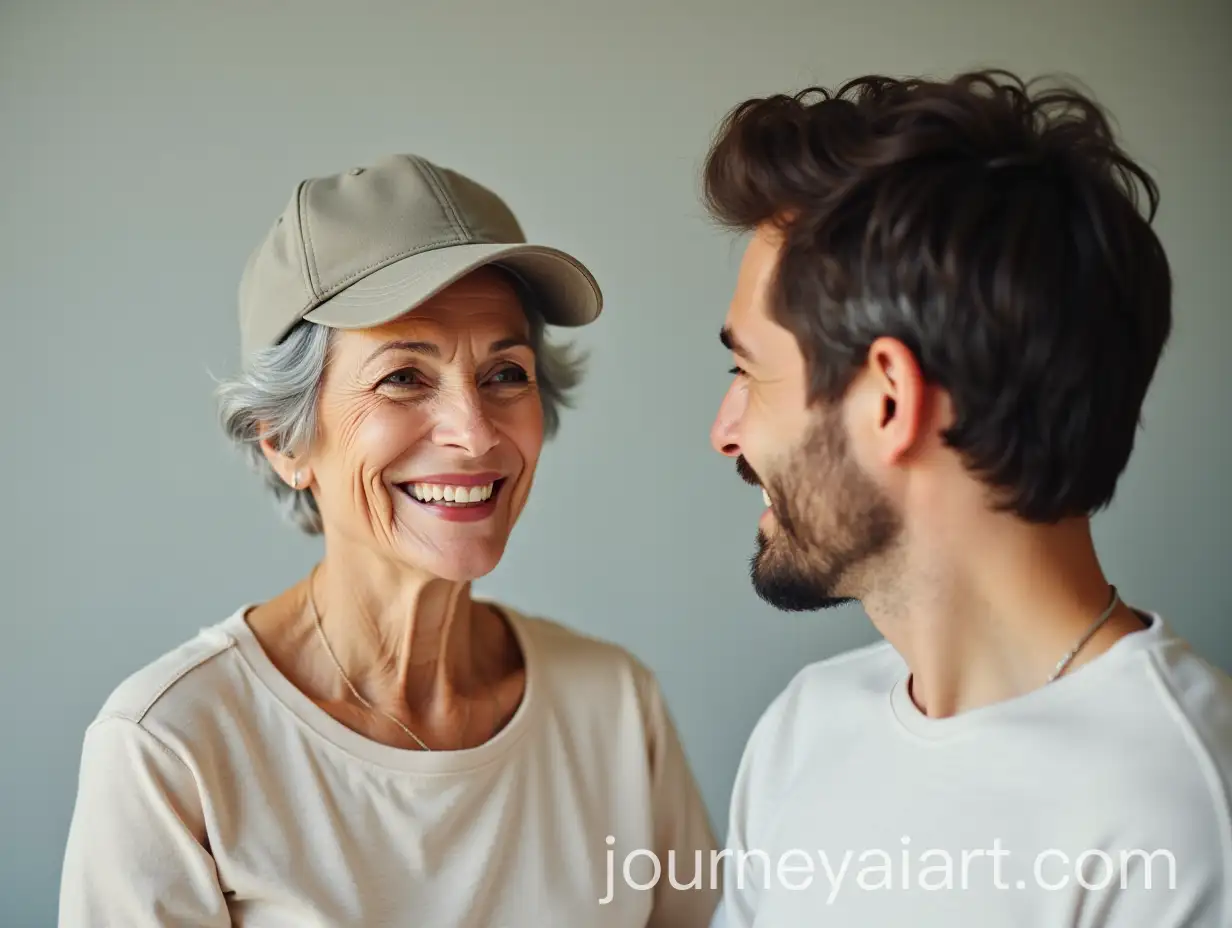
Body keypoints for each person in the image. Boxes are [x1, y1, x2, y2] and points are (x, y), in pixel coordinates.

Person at [59, 154, 719, 927]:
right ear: (284, 440)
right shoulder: (169, 748)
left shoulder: (614, 704)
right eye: (403, 377)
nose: (475, 434)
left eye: (506, 373)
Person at [702, 70, 1232, 926]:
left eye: (748, 371)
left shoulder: (1183, 814)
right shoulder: (803, 731)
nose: (725, 432)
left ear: (889, 401)